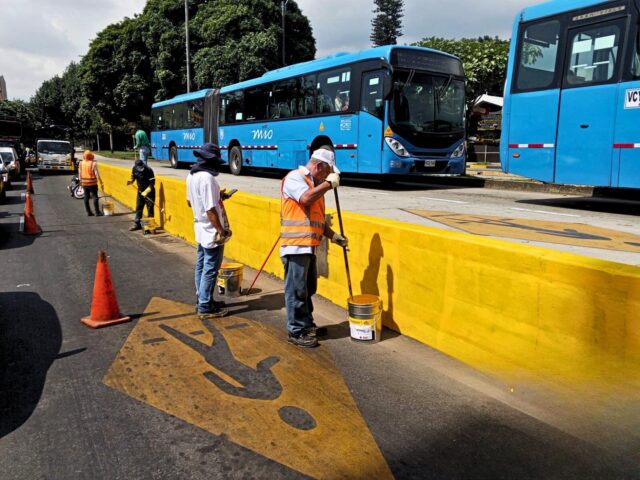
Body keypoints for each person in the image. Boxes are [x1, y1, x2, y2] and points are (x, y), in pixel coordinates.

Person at [280, 148, 348, 348]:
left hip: (309, 246)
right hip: (295, 247)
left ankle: (307, 324)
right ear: (318, 166)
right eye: (326, 172)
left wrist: (333, 236)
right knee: (296, 290)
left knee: (308, 289)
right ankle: (296, 331)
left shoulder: (314, 185)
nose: (327, 176)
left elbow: (317, 219)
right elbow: (305, 199)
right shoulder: (295, 178)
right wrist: (328, 185)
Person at [186, 143, 232, 319]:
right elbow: (210, 210)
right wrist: (221, 231)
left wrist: (218, 196)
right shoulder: (207, 178)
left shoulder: (191, 176)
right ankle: (205, 306)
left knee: (201, 264)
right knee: (211, 268)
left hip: (200, 227)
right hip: (211, 230)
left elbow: (190, 202)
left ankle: (202, 299)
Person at [127, 159, 155, 231]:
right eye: (139, 168)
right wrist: (131, 181)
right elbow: (133, 176)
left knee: (150, 209)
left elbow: (152, 183)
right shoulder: (134, 169)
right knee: (139, 207)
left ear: (143, 165)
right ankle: (137, 224)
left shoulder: (149, 170)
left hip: (149, 193)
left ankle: (150, 226)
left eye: (141, 167)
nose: (140, 169)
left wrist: (146, 191)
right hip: (140, 192)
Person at [78, 150, 104, 216]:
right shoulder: (93, 163)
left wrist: (80, 181)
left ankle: (88, 212)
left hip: (84, 183)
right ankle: (97, 212)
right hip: (92, 183)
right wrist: (101, 182)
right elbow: (97, 174)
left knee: (86, 197)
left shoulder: (81, 163)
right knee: (95, 196)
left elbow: (80, 173)